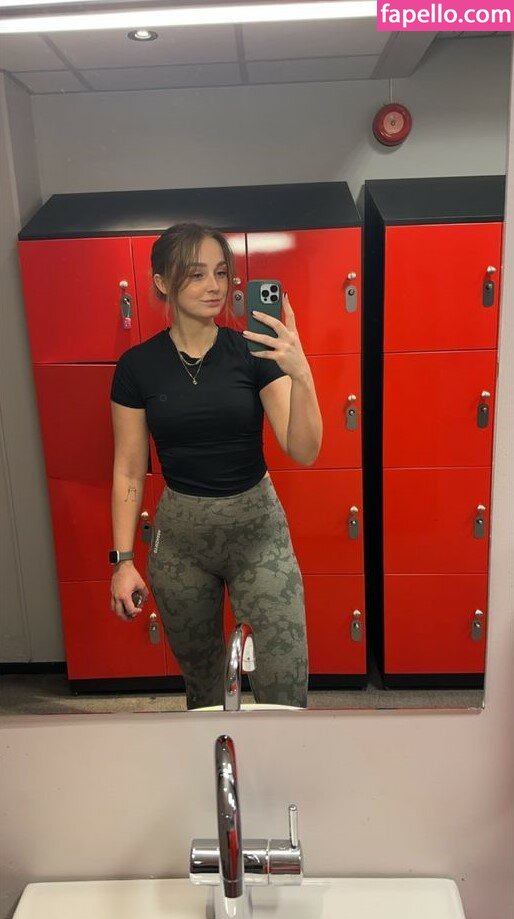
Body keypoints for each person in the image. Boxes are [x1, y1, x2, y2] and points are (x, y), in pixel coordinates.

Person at [109, 222, 322, 709]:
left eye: (222, 273)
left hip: (258, 533)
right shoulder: (137, 367)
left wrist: (301, 372)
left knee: (284, 681)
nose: (215, 287)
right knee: (203, 686)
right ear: (162, 281)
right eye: (197, 274)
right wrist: (122, 561)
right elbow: (128, 469)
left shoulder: (253, 352)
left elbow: (303, 449)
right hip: (182, 543)